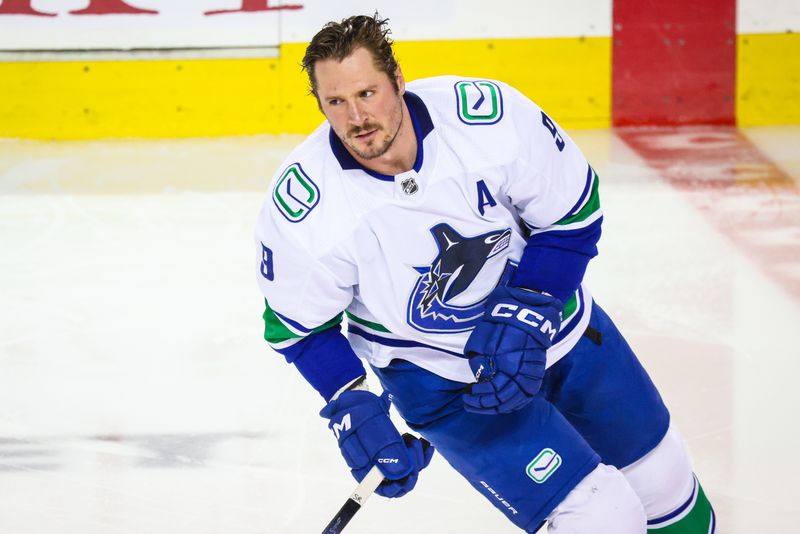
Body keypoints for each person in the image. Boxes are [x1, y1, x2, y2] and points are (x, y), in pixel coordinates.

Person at [254, 13, 715, 533]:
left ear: (398, 80)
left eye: (367, 93)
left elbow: (574, 213)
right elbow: (298, 329)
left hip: (560, 335)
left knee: (667, 489)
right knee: (602, 516)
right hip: (445, 383)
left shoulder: (485, 122)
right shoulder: (305, 206)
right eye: (335, 102)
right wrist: (351, 403)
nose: (356, 117)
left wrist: (529, 309)